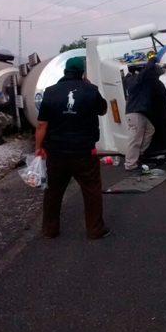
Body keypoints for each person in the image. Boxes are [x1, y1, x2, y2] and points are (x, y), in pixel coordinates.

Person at [35, 57, 111, 240]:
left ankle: (50, 230)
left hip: (57, 152)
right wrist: (89, 86)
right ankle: (95, 230)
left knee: (53, 191)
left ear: (64, 72)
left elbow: (41, 125)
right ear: (82, 73)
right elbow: (103, 110)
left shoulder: (50, 92)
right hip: (84, 151)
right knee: (91, 190)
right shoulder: (91, 90)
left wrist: (39, 147)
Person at [124, 52, 163, 171]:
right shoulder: (134, 79)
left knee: (150, 130)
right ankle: (130, 164)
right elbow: (145, 73)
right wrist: (152, 60)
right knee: (134, 139)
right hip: (135, 113)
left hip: (137, 113)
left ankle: (138, 155)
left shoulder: (130, 79)